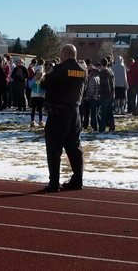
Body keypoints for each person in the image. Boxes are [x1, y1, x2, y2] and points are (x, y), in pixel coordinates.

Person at [41, 44, 86, 192]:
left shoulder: (59, 69)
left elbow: (45, 84)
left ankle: (54, 182)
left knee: (54, 148)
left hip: (59, 113)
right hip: (75, 112)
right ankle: (78, 179)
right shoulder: (82, 70)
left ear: (65, 55)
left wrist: (46, 74)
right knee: (74, 147)